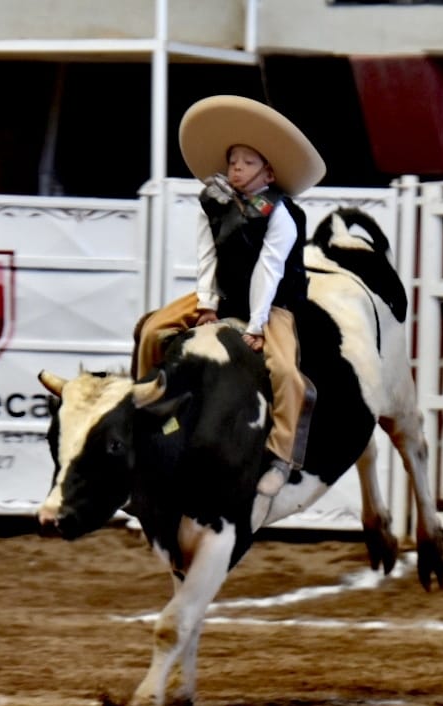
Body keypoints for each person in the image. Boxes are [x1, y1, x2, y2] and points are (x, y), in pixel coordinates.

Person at [133, 95, 326, 499]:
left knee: (287, 374)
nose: (236, 166)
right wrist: (206, 302)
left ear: (268, 172)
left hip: (271, 303)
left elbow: (267, 271)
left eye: (247, 161)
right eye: (233, 159)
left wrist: (257, 325)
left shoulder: (281, 215)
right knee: (154, 329)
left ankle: (281, 455)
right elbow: (208, 254)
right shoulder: (214, 202)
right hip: (223, 293)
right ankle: (146, 412)